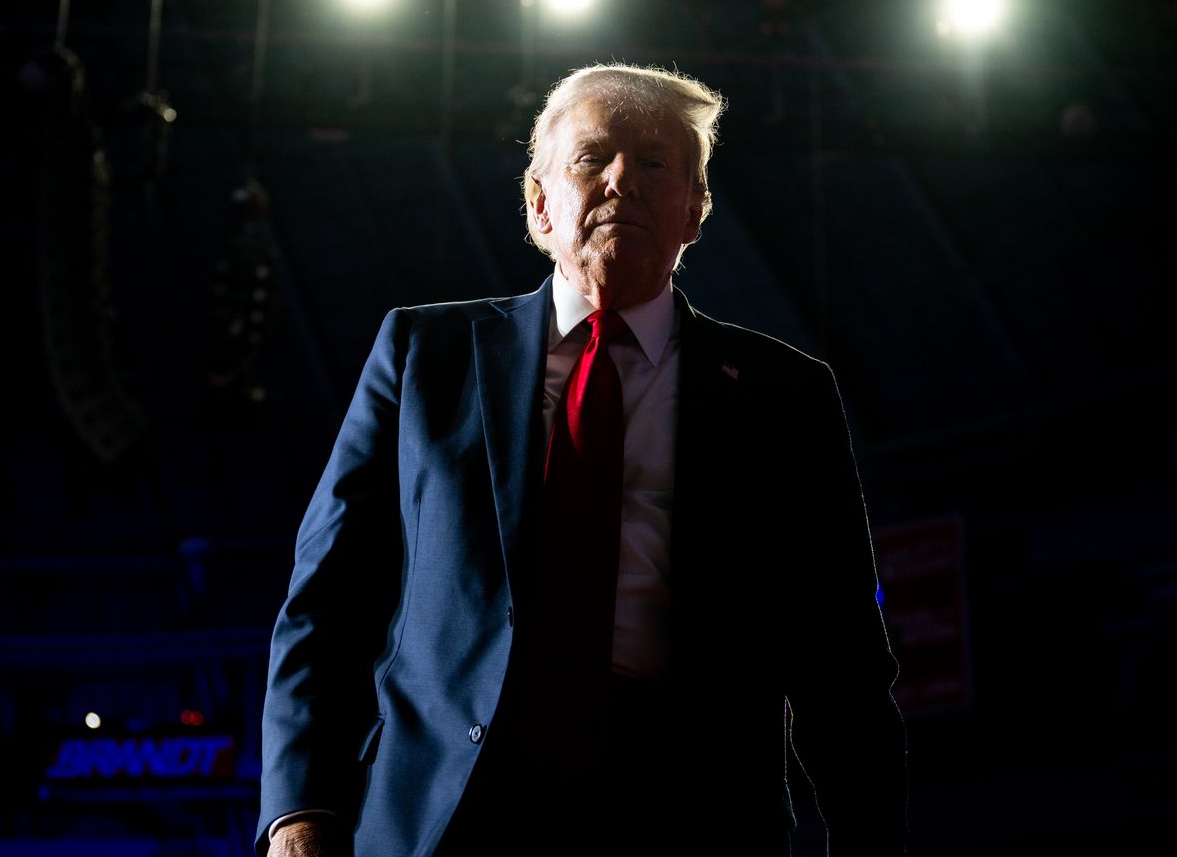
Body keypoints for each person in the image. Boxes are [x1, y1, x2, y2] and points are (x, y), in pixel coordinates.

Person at [256, 64, 909, 856]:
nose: (623, 179)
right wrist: (299, 808)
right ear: (539, 203)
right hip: (445, 816)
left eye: (657, 164)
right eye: (591, 158)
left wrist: (870, 838)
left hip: (692, 818)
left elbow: (838, 648)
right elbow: (329, 598)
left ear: (695, 211)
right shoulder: (422, 355)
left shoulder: (786, 393)